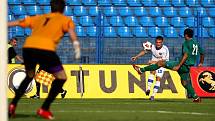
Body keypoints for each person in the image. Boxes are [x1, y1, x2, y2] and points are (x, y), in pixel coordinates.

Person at [8, 0, 81, 119]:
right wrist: (76, 46)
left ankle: (12, 105)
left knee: (29, 76)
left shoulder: (40, 17)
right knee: (62, 77)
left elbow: (18, 22)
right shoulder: (64, 19)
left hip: (28, 48)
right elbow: (71, 32)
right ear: (63, 9)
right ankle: (44, 108)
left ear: (51, 8)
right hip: (45, 49)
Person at [132, 28, 204, 103]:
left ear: (185, 35)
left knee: (160, 63)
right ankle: (196, 97)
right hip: (188, 66)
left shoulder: (186, 43)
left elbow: (185, 55)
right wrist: (201, 62)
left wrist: (178, 65)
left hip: (182, 64)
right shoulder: (196, 43)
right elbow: (202, 53)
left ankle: (141, 70)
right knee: (184, 82)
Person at [131, 36, 169, 101]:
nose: (158, 44)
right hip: (153, 64)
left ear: (162, 42)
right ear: (155, 42)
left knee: (158, 78)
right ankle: (148, 89)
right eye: (157, 42)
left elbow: (163, 61)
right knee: (152, 73)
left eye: (159, 42)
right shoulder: (152, 47)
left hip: (162, 65)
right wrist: (136, 57)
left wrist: (153, 61)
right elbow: (144, 51)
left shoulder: (165, 49)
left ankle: (153, 95)